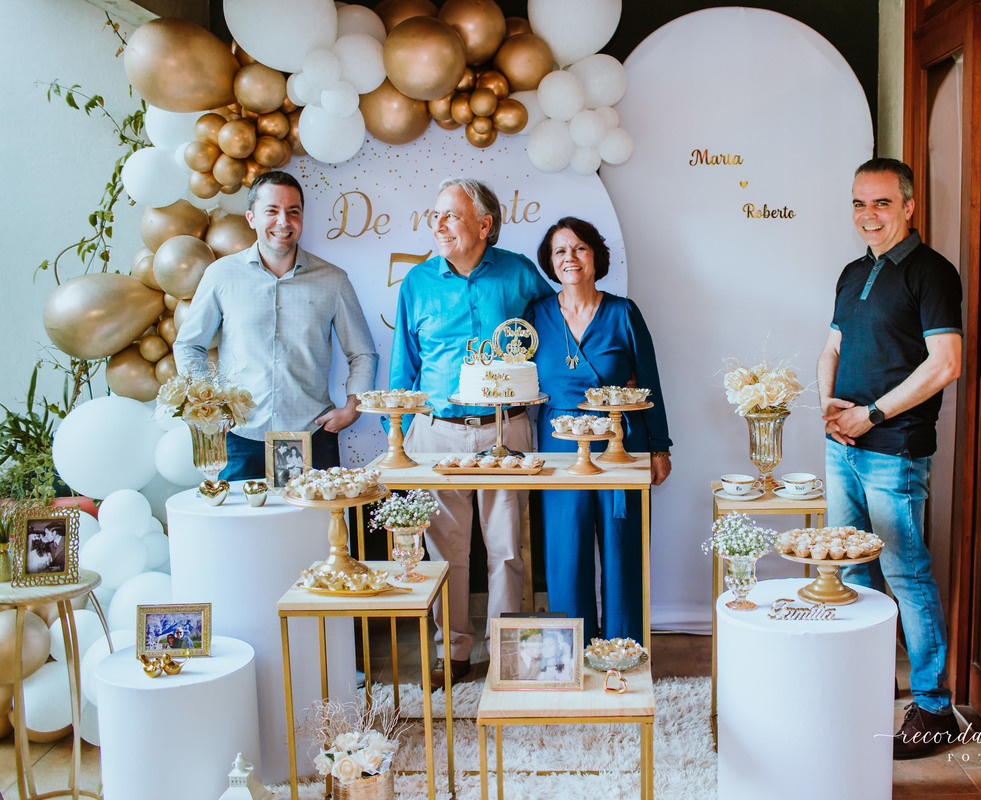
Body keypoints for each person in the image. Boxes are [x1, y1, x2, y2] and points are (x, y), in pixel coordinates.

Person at [817, 158, 962, 759]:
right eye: (858, 203)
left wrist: (870, 416)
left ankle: (933, 707)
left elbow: (945, 364)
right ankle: (867, 681)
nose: (867, 216)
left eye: (880, 203)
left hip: (892, 450)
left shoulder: (932, 273)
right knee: (851, 569)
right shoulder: (854, 272)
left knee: (906, 575)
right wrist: (828, 404)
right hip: (842, 444)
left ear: (909, 206)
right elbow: (833, 345)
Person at [390, 177, 553, 687]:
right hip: (436, 431)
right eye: (435, 215)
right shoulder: (417, 282)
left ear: (485, 225)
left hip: (506, 427)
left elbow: (551, 332)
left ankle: (506, 652)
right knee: (446, 552)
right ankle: (454, 652)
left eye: (451, 216)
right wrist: (397, 436)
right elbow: (404, 365)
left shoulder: (521, 274)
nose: (438, 225)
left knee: (506, 547)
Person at [173, 171, 379, 480]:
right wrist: (210, 406)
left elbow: (363, 353)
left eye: (293, 212)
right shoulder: (221, 276)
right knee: (242, 528)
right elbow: (189, 345)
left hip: (313, 434)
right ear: (251, 217)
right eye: (272, 210)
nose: (283, 221)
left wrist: (352, 408)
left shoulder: (333, 280)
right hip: (240, 438)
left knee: (316, 528)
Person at [526, 217, 672, 643]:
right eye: (560, 251)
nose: (570, 257)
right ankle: (570, 654)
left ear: (595, 257)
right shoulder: (536, 315)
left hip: (619, 444)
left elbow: (649, 383)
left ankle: (625, 650)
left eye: (580, 248)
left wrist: (660, 447)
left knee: (623, 550)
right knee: (565, 552)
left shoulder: (623, 312)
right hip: (558, 446)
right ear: (550, 263)